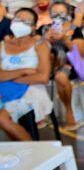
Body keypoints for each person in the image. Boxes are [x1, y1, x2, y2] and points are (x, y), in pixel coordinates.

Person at [0, 8, 53, 140]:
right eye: (18, 19)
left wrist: (9, 77)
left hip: (32, 92)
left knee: (2, 119)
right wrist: (24, 72)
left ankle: (34, 154)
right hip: (5, 90)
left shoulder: (40, 45)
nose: (20, 23)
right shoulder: (2, 45)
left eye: (26, 22)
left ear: (34, 28)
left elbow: (42, 77)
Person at [45, 0, 84, 130]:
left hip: (69, 65)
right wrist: (45, 40)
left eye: (61, 12)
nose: (58, 15)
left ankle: (70, 113)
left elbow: (80, 54)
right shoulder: (45, 28)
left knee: (61, 77)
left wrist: (65, 39)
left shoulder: (74, 30)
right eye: (55, 13)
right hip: (47, 64)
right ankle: (40, 114)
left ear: (68, 13)